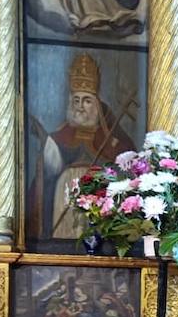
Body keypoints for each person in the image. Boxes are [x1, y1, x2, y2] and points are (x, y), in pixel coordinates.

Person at [28, 52, 135, 246]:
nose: (80, 107)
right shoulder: (58, 137)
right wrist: (50, 153)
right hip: (64, 203)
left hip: (100, 204)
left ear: (96, 104)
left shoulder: (112, 138)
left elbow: (128, 166)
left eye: (86, 100)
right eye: (76, 100)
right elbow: (45, 176)